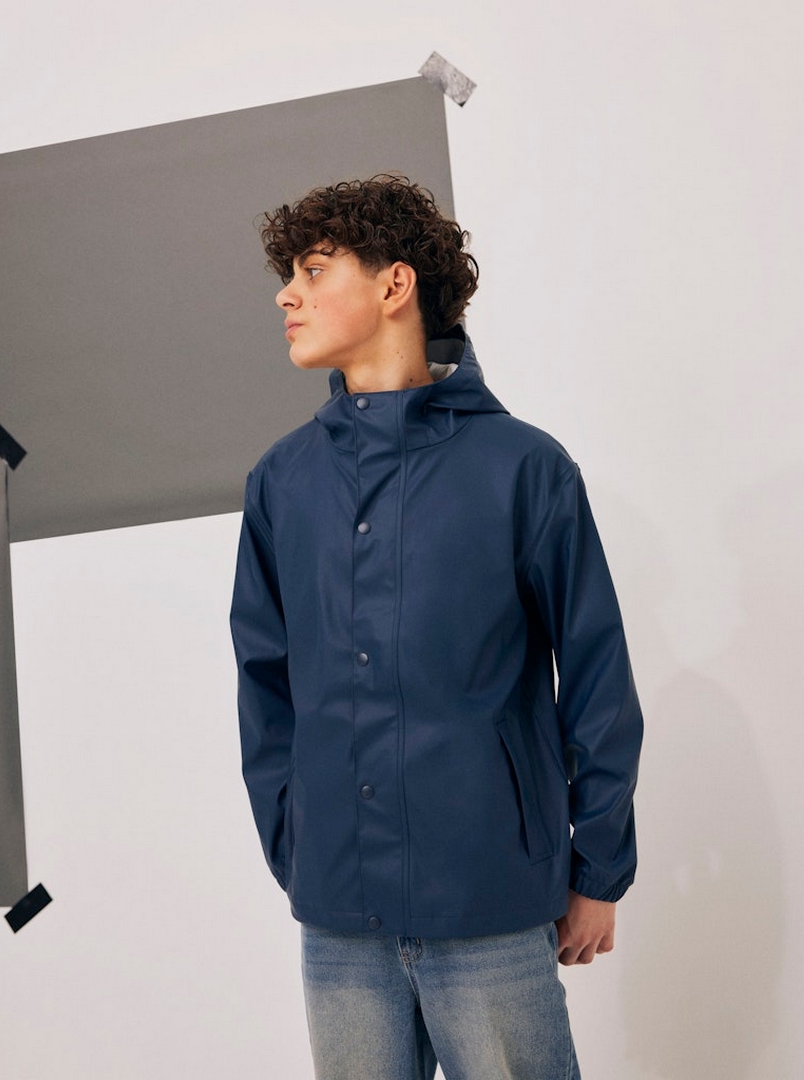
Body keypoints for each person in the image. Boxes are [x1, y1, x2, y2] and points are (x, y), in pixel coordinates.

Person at [230, 175, 642, 1080]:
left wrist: (598, 868)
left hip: (490, 899)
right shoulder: (283, 482)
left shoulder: (523, 468)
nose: (286, 296)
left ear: (394, 285)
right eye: (288, 276)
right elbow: (264, 683)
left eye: (312, 270)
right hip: (338, 916)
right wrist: (297, 844)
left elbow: (597, 677)